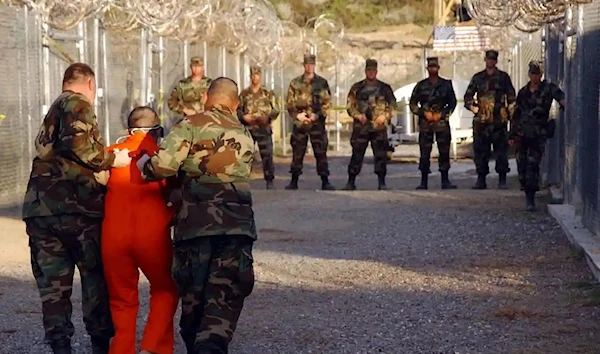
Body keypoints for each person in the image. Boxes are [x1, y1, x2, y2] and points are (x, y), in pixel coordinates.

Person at [136, 77, 256, 354]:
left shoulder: (190, 125)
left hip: (196, 227)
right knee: (223, 298)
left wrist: (144, 164)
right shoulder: (245, 134)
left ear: (206, 99)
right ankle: (211, 345)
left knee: (194, 299)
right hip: (236, 228)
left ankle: (201, 345)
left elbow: (163, 167)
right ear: (236, 104)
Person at [22, 63, 132, 354]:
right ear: (90, 83)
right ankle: (99, 344)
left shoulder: (55, 109)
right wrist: (111, 161)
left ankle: (60, 346)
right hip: (77, 209)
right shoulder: (77, 103)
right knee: (94, 278)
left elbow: (50, 149)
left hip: (41, 210)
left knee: (53, 288)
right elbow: (80, 146)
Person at [100, 107, 179, 354]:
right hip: (152, 236)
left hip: (113, 237)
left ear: (128, 130)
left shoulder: (111, 155)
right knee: (166, 289)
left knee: (121, 299)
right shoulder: (162, 157)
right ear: (157, 130)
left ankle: (121, 349)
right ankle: (152, 347)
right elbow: (175, 193)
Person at [509, 60, 565, 211]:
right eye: (533, 74)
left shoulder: (547, 89)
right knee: (522, 166)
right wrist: (512, 134)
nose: (535, 77)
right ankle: (525, 186)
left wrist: (563, 103)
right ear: (529, 75)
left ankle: (530, 198)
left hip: (537, 134)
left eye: (538, 74)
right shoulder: (523, 92)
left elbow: (560, 97)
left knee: (533, 165)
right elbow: (516, 114)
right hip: (522, 134)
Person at [464, 49, 516, 189]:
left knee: (501, 151)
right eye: (489, 59)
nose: (491, 62)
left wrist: (511, 115)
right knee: (481, 151)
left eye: (493, 59)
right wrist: (472, 107)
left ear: (496, 61)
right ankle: (481, 179)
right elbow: (468, 96)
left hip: (499, 120)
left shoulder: (503, 77)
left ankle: (502, 179)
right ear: (485, 60)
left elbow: (511, 97)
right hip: (482, 121)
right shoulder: (478, 78)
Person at [343, 58, 396, 190]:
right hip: (361, 127)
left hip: (378, 127)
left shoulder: (384, 88)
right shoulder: (357, 88)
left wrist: (385, 116)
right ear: (365, 71)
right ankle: (351, 182)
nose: (371, 72)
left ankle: (381, 182)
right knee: (357, 155)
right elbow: (350, 106)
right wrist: (358, 115)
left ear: (376, 71)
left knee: (380, 155)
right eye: (368, 70)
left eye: (373, 70)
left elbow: (393, 105)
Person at [284, 53, 335, 191]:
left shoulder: (322, 83)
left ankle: (325, 180)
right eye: (307, 64)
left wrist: (317, 115)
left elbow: (327, 102)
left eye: (312, 64)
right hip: (300, 124)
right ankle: (294, 180)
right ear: (304, 65)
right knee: (298, 152)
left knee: (320, 152)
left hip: (316, 123)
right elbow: (290, 103)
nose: (309, 67)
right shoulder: (295, 83)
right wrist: (297, 115)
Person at [409, 57, 458, 190]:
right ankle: (423, 181)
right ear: (427, 68)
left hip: (441, 123)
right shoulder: (421, 85)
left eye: (435, 67)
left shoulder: (446, 84)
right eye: (430, 67)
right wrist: (423, 113)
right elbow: (412, 104)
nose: (433, 69)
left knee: (444, 151)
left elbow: (452, 103)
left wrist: (441, 114)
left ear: (438, 68)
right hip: (426, 124)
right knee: (424, 152)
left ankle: (445, 180)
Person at [238, 65, 280, 189]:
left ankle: (269, 180)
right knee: (245, 155)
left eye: (257, 75)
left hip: (263, 128)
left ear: (260, 76)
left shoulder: (267, 93)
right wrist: (244, 117)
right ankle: (243, 180)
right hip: (248, 129)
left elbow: (276, 109)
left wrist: (268, 118)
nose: (254, 77)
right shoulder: (244, 94)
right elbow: (238, 109)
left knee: (267, 155)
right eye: (252, 75)